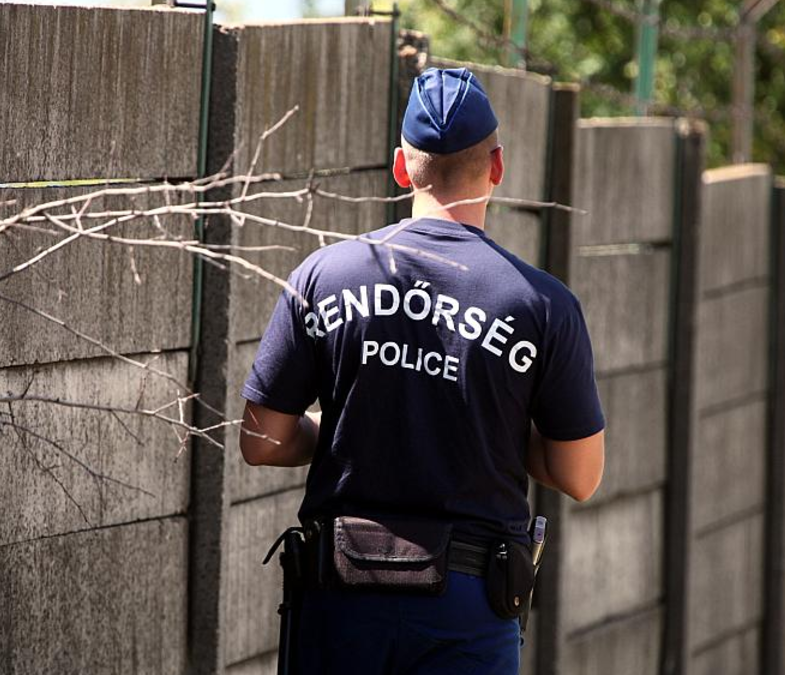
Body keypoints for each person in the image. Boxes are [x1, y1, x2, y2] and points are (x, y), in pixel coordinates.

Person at [239, 66, 605, 674]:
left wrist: (337, 429)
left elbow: (260, 440)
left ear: (401, 168)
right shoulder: (542, 305)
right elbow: (581, 475)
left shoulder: (324, 276)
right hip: (468, 608)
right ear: (497, 167)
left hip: (341, 597)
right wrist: (502, 435)